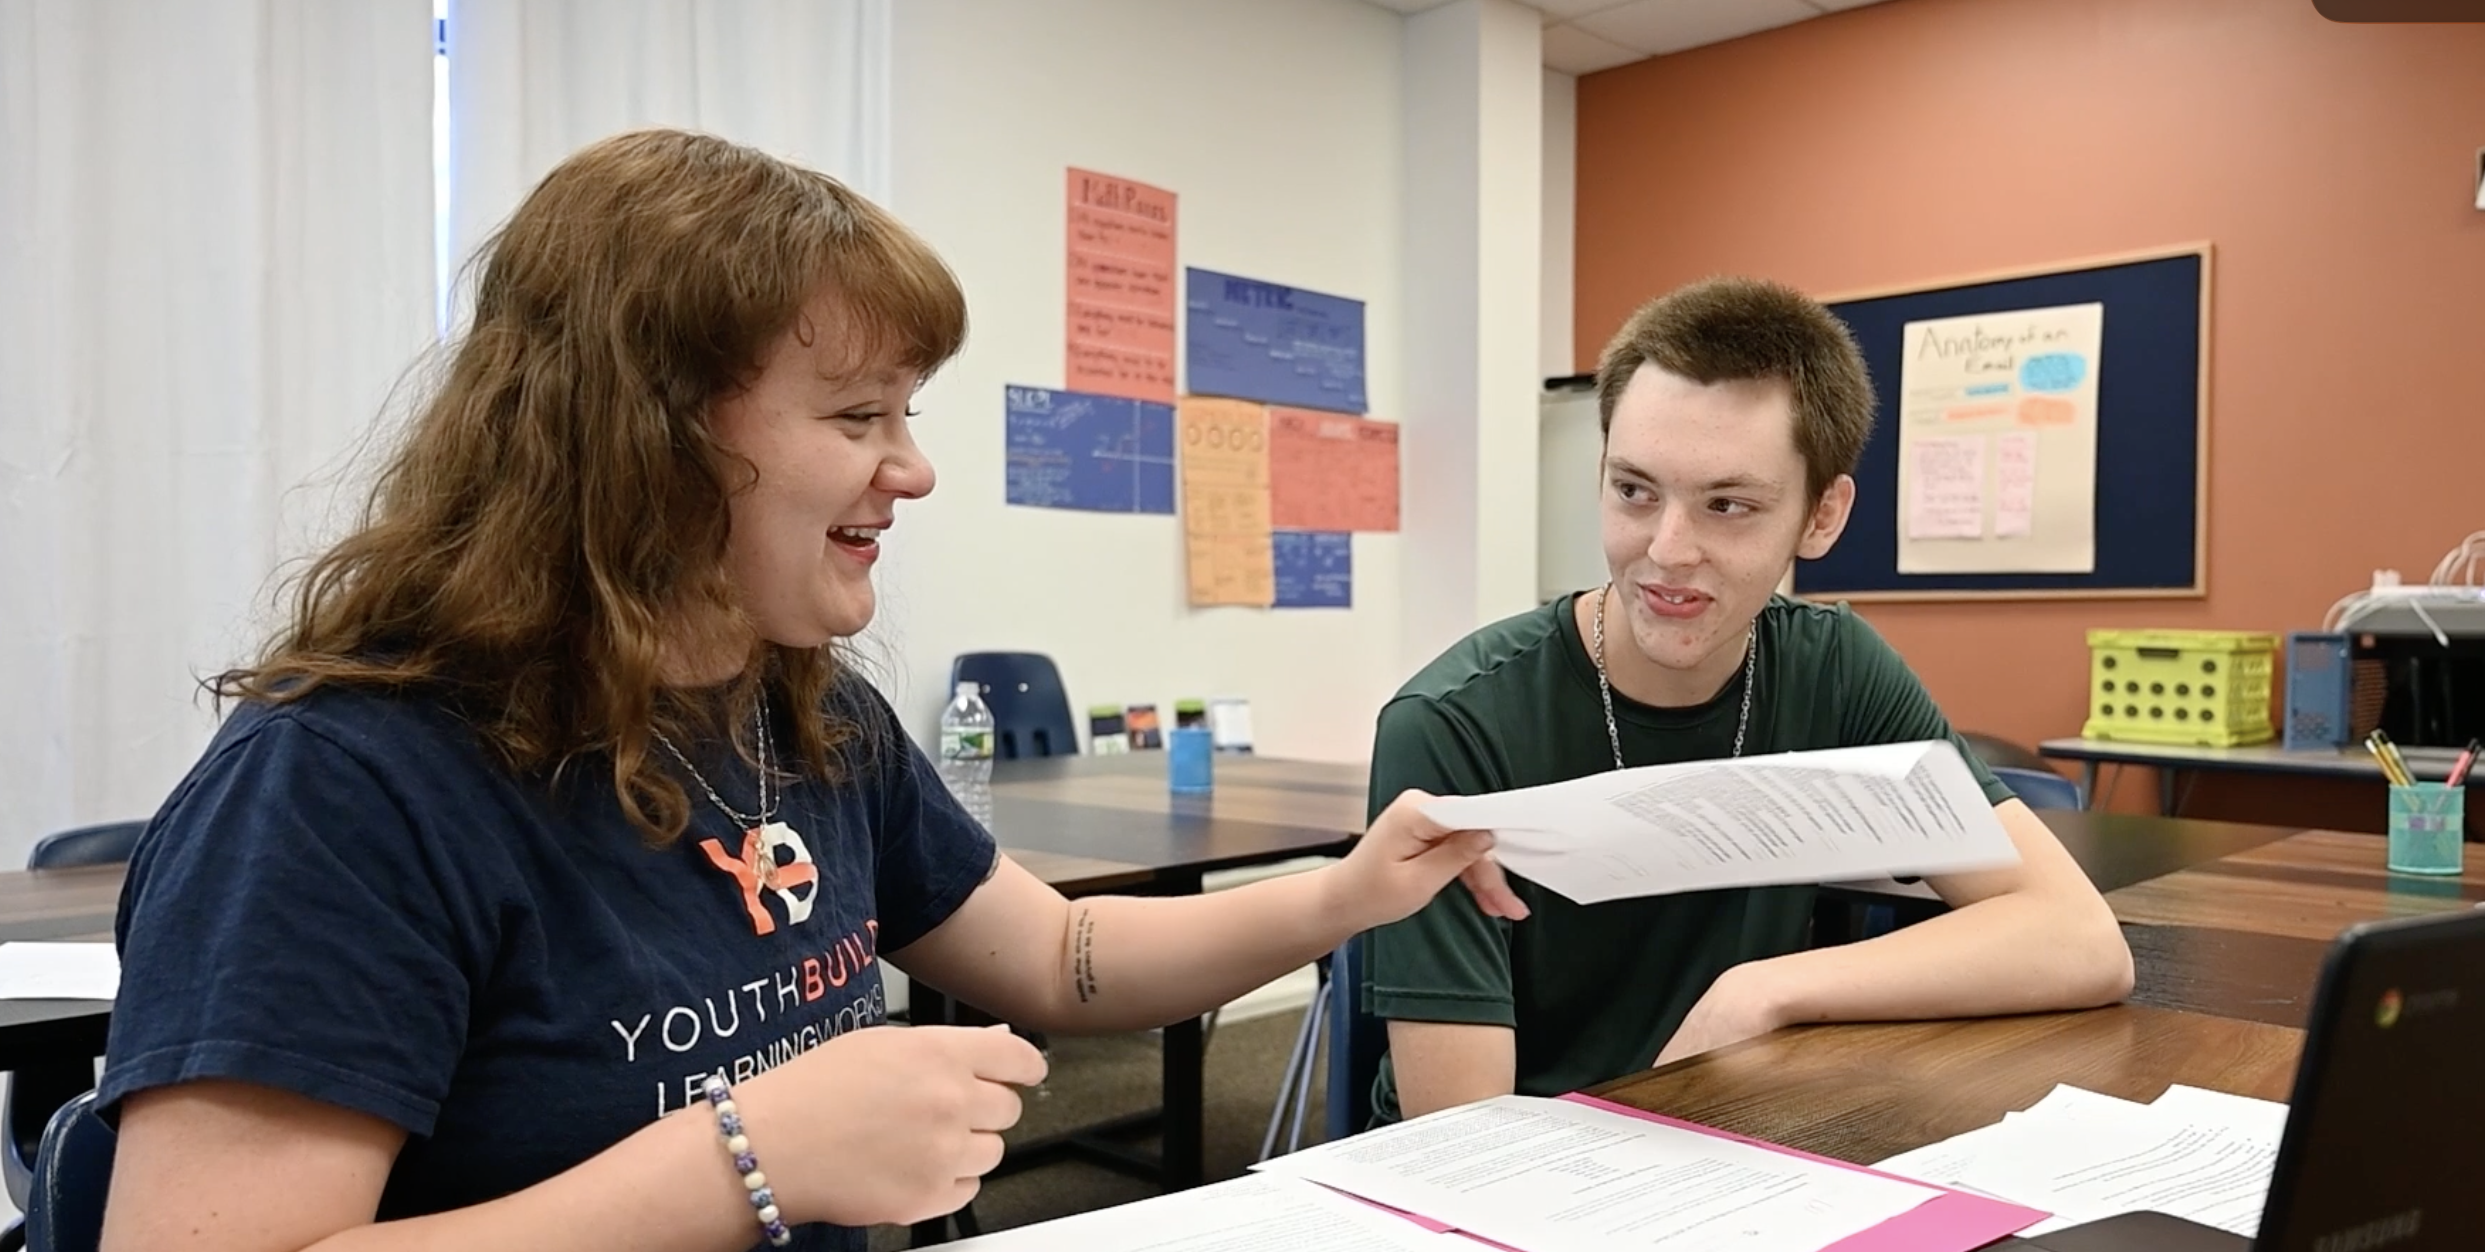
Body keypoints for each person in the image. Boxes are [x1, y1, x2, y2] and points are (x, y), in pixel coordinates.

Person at [95, 129, 1521, 1252]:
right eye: (857, 418)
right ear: (639, 441)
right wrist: (747, 1160)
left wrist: (1343, 899)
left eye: (909, 413)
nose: (912, 469)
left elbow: (1054, 959)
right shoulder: (345, 788)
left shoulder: (809, 714)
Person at [1366, 276, 2135, 1123]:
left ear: (1821, 517)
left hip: (1725, 1140)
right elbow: (1457, 1140)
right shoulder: (1453, 723)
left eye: (1727, 505)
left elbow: (2079, 939)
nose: (1666, 549)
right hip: (1520, 1179)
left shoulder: (1831, 668)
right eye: (1633, 491)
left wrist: (1760, 991)